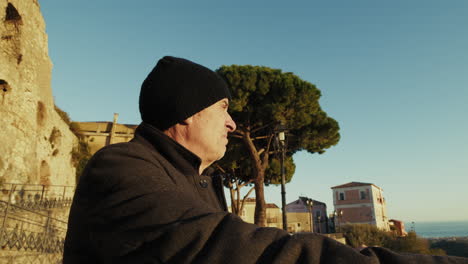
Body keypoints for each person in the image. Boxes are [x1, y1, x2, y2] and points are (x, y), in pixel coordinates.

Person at [63, 56, 468, 263]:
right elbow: (241, 253)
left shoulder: (194, 180)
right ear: (186, 111)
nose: (233, 122)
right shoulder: (121, 168)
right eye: (222, 107)